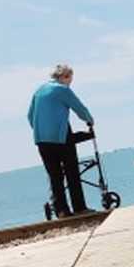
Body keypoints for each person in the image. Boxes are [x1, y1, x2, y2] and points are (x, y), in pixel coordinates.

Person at [27, 64, 94, 218]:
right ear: (65, 77)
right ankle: (79, 208)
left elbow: (30, 116)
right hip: (61, 138)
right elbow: (79, 108)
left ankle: (61, 211)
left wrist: (40, 130)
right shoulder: (62, 89)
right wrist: (90, 121)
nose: (71, 82)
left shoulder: (38, 91)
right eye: (70, 78)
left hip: (41, 140)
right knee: (72, 172)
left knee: (55, 176)